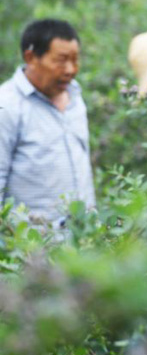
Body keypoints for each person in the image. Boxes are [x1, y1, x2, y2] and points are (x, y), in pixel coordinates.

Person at [0, 19, 96, 230]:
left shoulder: (75, 96)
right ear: (31, 57)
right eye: (61, 60)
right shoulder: (7, 106)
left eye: (75, 60)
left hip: (85, 242)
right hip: (33, 251)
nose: (70, 69)